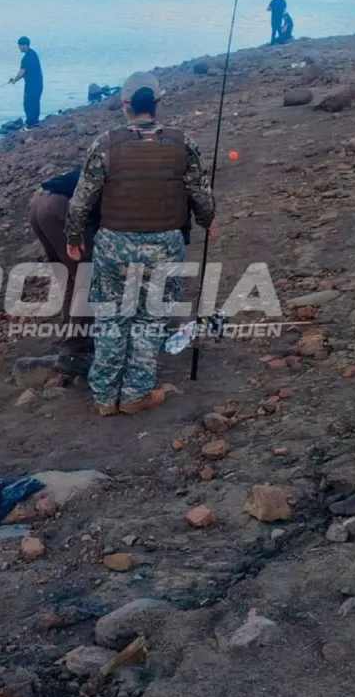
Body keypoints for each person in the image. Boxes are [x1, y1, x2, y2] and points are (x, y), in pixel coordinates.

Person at [65, 71, 215, 417]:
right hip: (165, 246)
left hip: (113, 246)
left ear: (125, 105)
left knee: (111, 318)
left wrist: (74, 237)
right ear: (158, 103)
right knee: (150, 319)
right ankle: (136, 393)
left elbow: (81, 200)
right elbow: (201, 195)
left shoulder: (105, 144)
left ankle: (105, 396)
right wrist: (208, 221)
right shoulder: (183, 144)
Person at [28, 167, 97, 365]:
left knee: (67, 277)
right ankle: (75, 348)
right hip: (59, 206)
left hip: (38, 201)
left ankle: (70, 330)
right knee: (87, 277)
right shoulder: (122, 178)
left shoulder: (102, 161)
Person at [11, 36, 43, 127]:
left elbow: (22, 72)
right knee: (35, 102)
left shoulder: (26, 58)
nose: (19, 48)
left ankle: (31, 123)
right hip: (38, 83)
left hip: (32, 85)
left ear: (25, 45)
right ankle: (35, 122)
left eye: (20, 46)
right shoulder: (33, 53)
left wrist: (14, 80)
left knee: (28, 104)